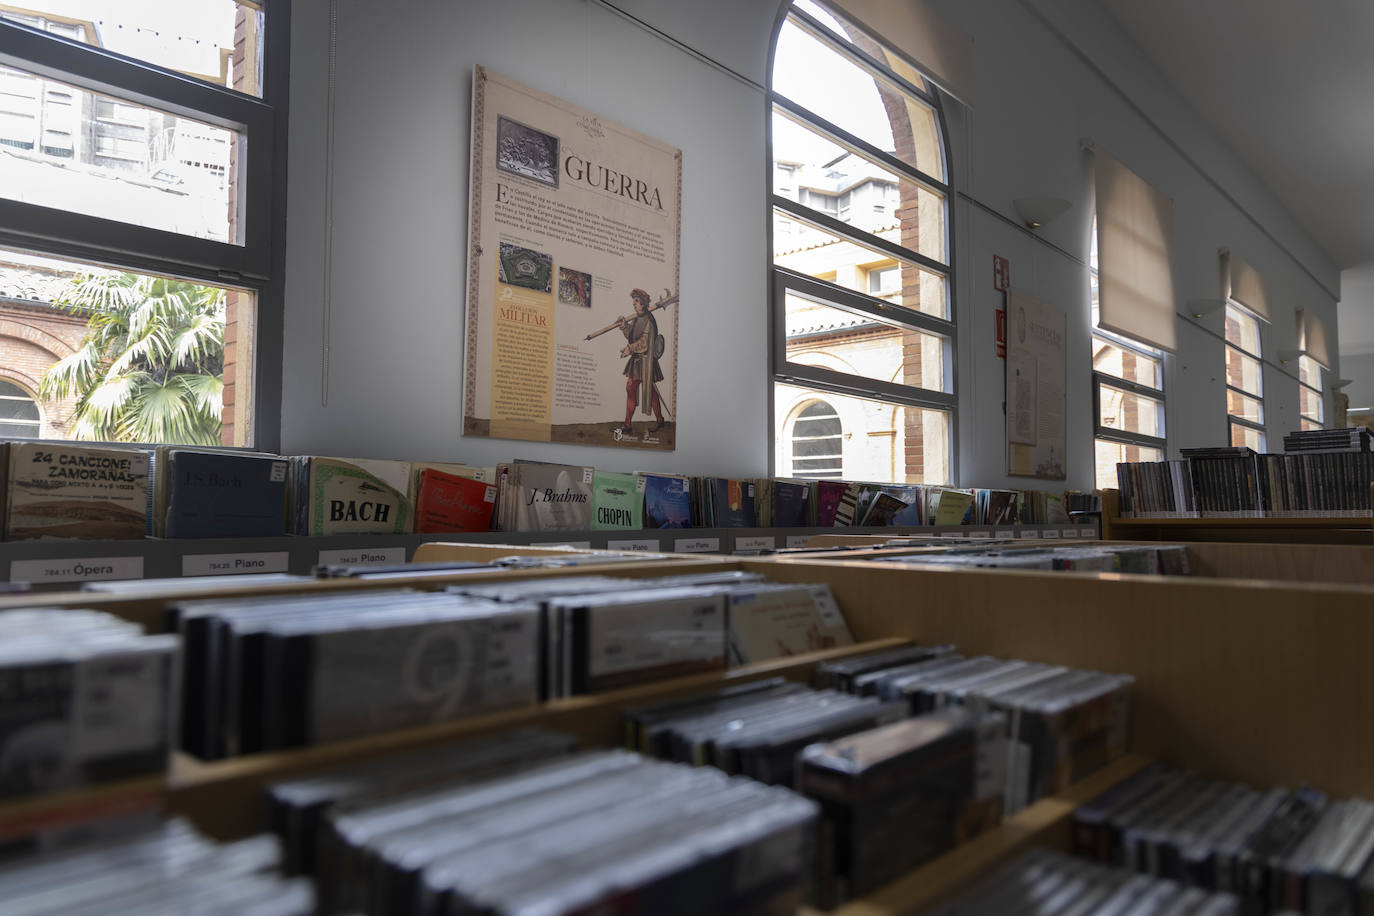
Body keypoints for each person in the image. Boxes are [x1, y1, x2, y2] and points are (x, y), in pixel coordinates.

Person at [617, 288, 664, 434]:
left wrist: (629, 349)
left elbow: (644, 343)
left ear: (643, 303)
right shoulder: (637, 319)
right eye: (634, 301)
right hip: (637, 363)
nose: (634, 304)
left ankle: (660, 420)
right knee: (630, 388)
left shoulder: (649, 321)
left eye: (636, 302)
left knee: (651, 393)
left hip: (647, 363)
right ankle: (627, 424)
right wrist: (625, 327)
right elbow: (633, 336)